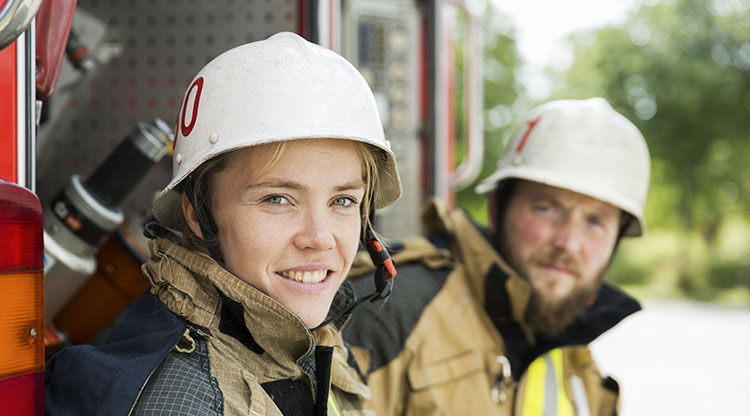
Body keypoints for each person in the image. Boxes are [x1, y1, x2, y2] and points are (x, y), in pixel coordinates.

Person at [45, 32, 402, 415]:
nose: (319, 238)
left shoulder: (306, 347)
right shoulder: (181, 403)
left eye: (343, 201)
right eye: (277, 199)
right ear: (198, 215)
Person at [344, 97, 650, 415]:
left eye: (595, 222)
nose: (569, 243)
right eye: (546, 208)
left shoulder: (576, 362)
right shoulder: (388, 309)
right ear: (498, 208)